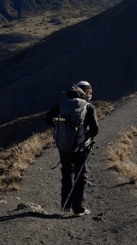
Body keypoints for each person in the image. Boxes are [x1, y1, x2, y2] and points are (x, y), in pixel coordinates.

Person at [45, 80, 99, 216]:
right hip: (81, 147)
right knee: (81, 175)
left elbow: (48, 118)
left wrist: (60, 128)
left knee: (67, 174)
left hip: (64, 146)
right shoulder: (88, 107)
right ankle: (78, 208)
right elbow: (95, 129)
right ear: (87, 93)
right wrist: (87, 137)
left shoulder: (63, 104)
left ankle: (65, 206)